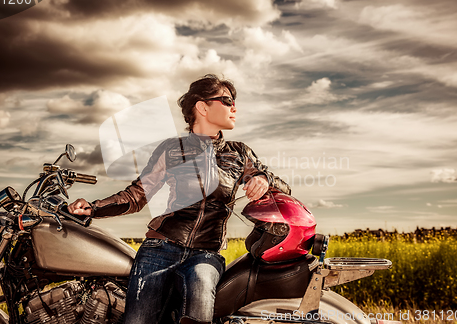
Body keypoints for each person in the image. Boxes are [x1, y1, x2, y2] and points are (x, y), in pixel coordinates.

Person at [68, 74, 291, 324]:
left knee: (200, 292)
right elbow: (137, 195)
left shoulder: (239, 153)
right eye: (227, 101)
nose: (234, 107)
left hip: (205, 254)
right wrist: (93, 208)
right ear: (202, 106)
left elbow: (283, 189)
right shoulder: (171, 149)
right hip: (159, 250)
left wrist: (263, 179)